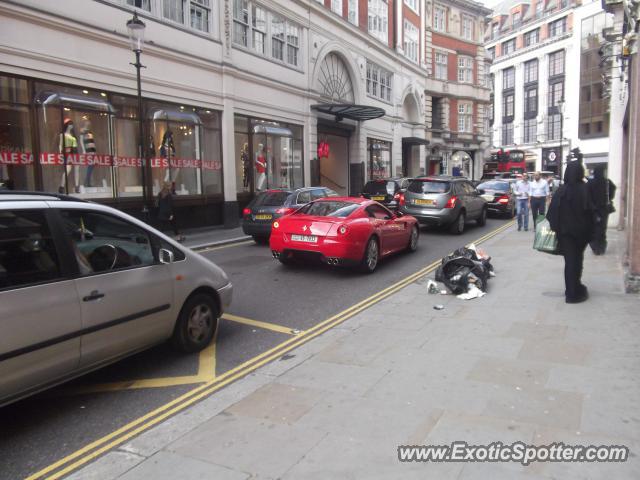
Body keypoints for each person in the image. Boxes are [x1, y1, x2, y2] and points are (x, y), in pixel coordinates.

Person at [547, 160, 595, 304]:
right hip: (581, 234)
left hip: (565, 233)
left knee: (570, 261)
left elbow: (551, 213)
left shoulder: (561, 190)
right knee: (577, 260)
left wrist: (558, 229)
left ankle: (572, 289)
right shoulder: (585, 189)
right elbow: (591, 212)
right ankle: (573, 293)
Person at [588, 165, 617, 255]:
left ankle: (595, 247)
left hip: (593, 210)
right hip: (604, 209)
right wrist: (609, 198)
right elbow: (613, 189)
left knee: (593, 228)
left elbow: (587, 196)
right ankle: (602, 247)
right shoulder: (607, 182)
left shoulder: (590, 183)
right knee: (602, 228)